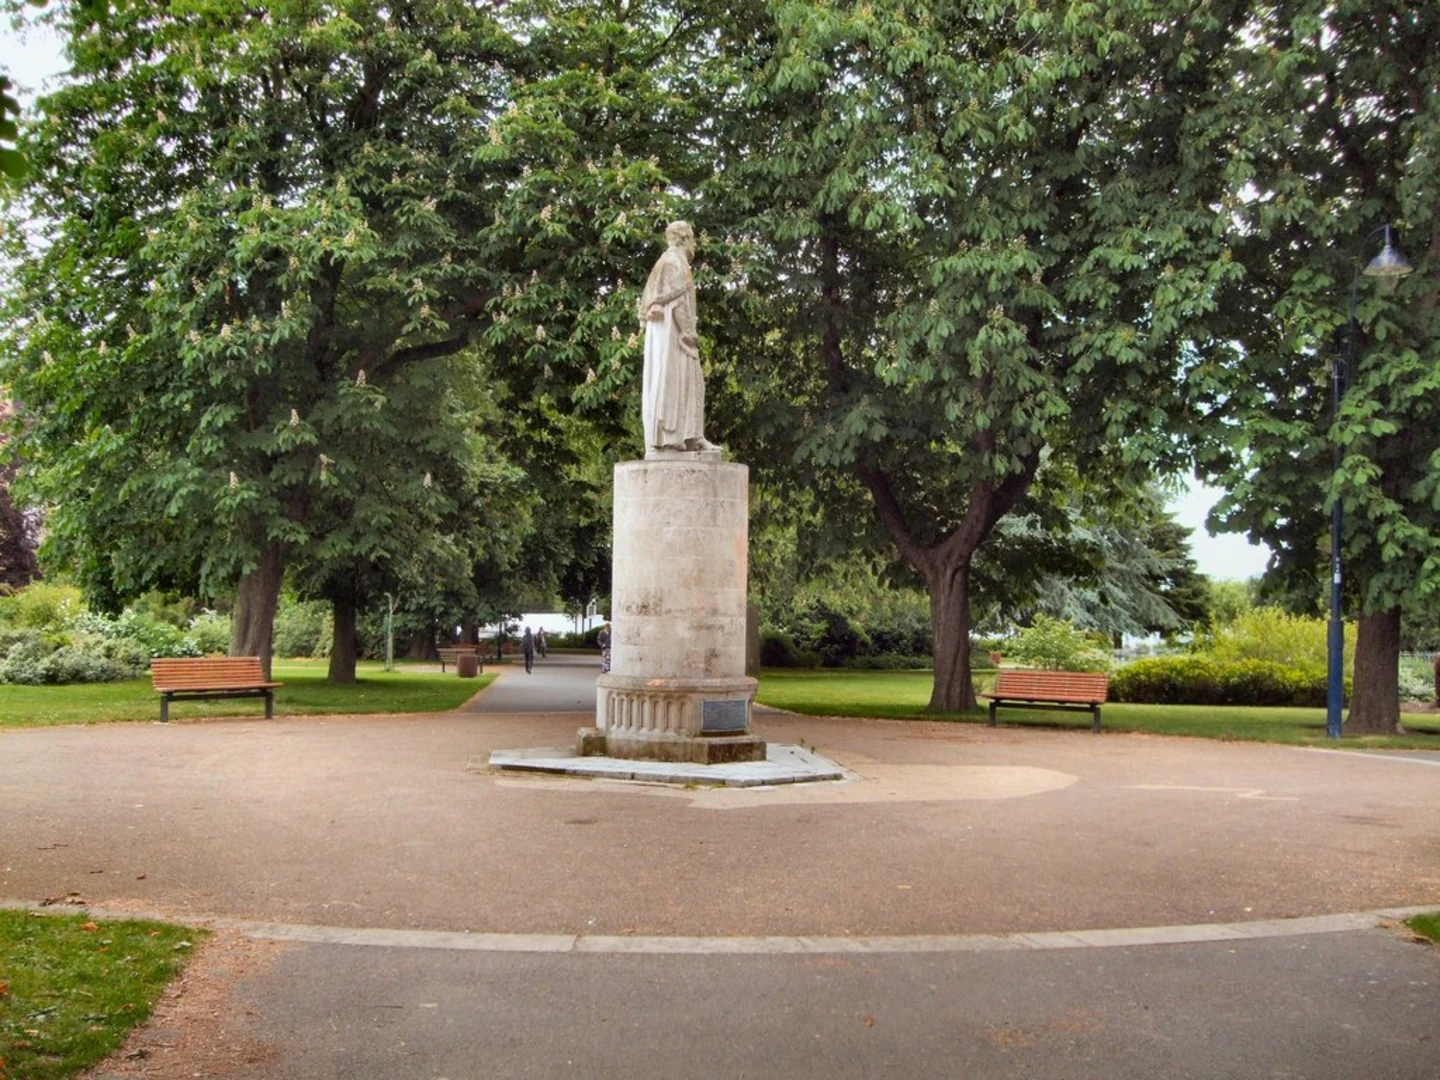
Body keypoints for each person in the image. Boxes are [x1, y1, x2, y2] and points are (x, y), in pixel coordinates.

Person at [639, 221, 718, 455]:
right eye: (692, 238)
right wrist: (688, 332)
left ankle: (692, 436)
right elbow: (677, 302)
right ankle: (673, 437)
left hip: (670, 336)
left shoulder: (669, 262)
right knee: (676, 382)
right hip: (673, 338)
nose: (694, 243)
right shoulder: (674, 262)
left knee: (689, 382)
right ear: (686, 239)